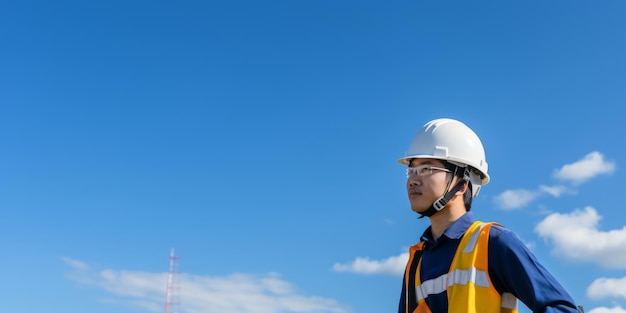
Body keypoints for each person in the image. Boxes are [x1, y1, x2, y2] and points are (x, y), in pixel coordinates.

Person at [397, 118, 580, 313]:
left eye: (426, 169)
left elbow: (563, 309)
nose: (413, 180)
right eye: (411, 170)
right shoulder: (416, 262)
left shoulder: (494, 242)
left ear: (462, 184)